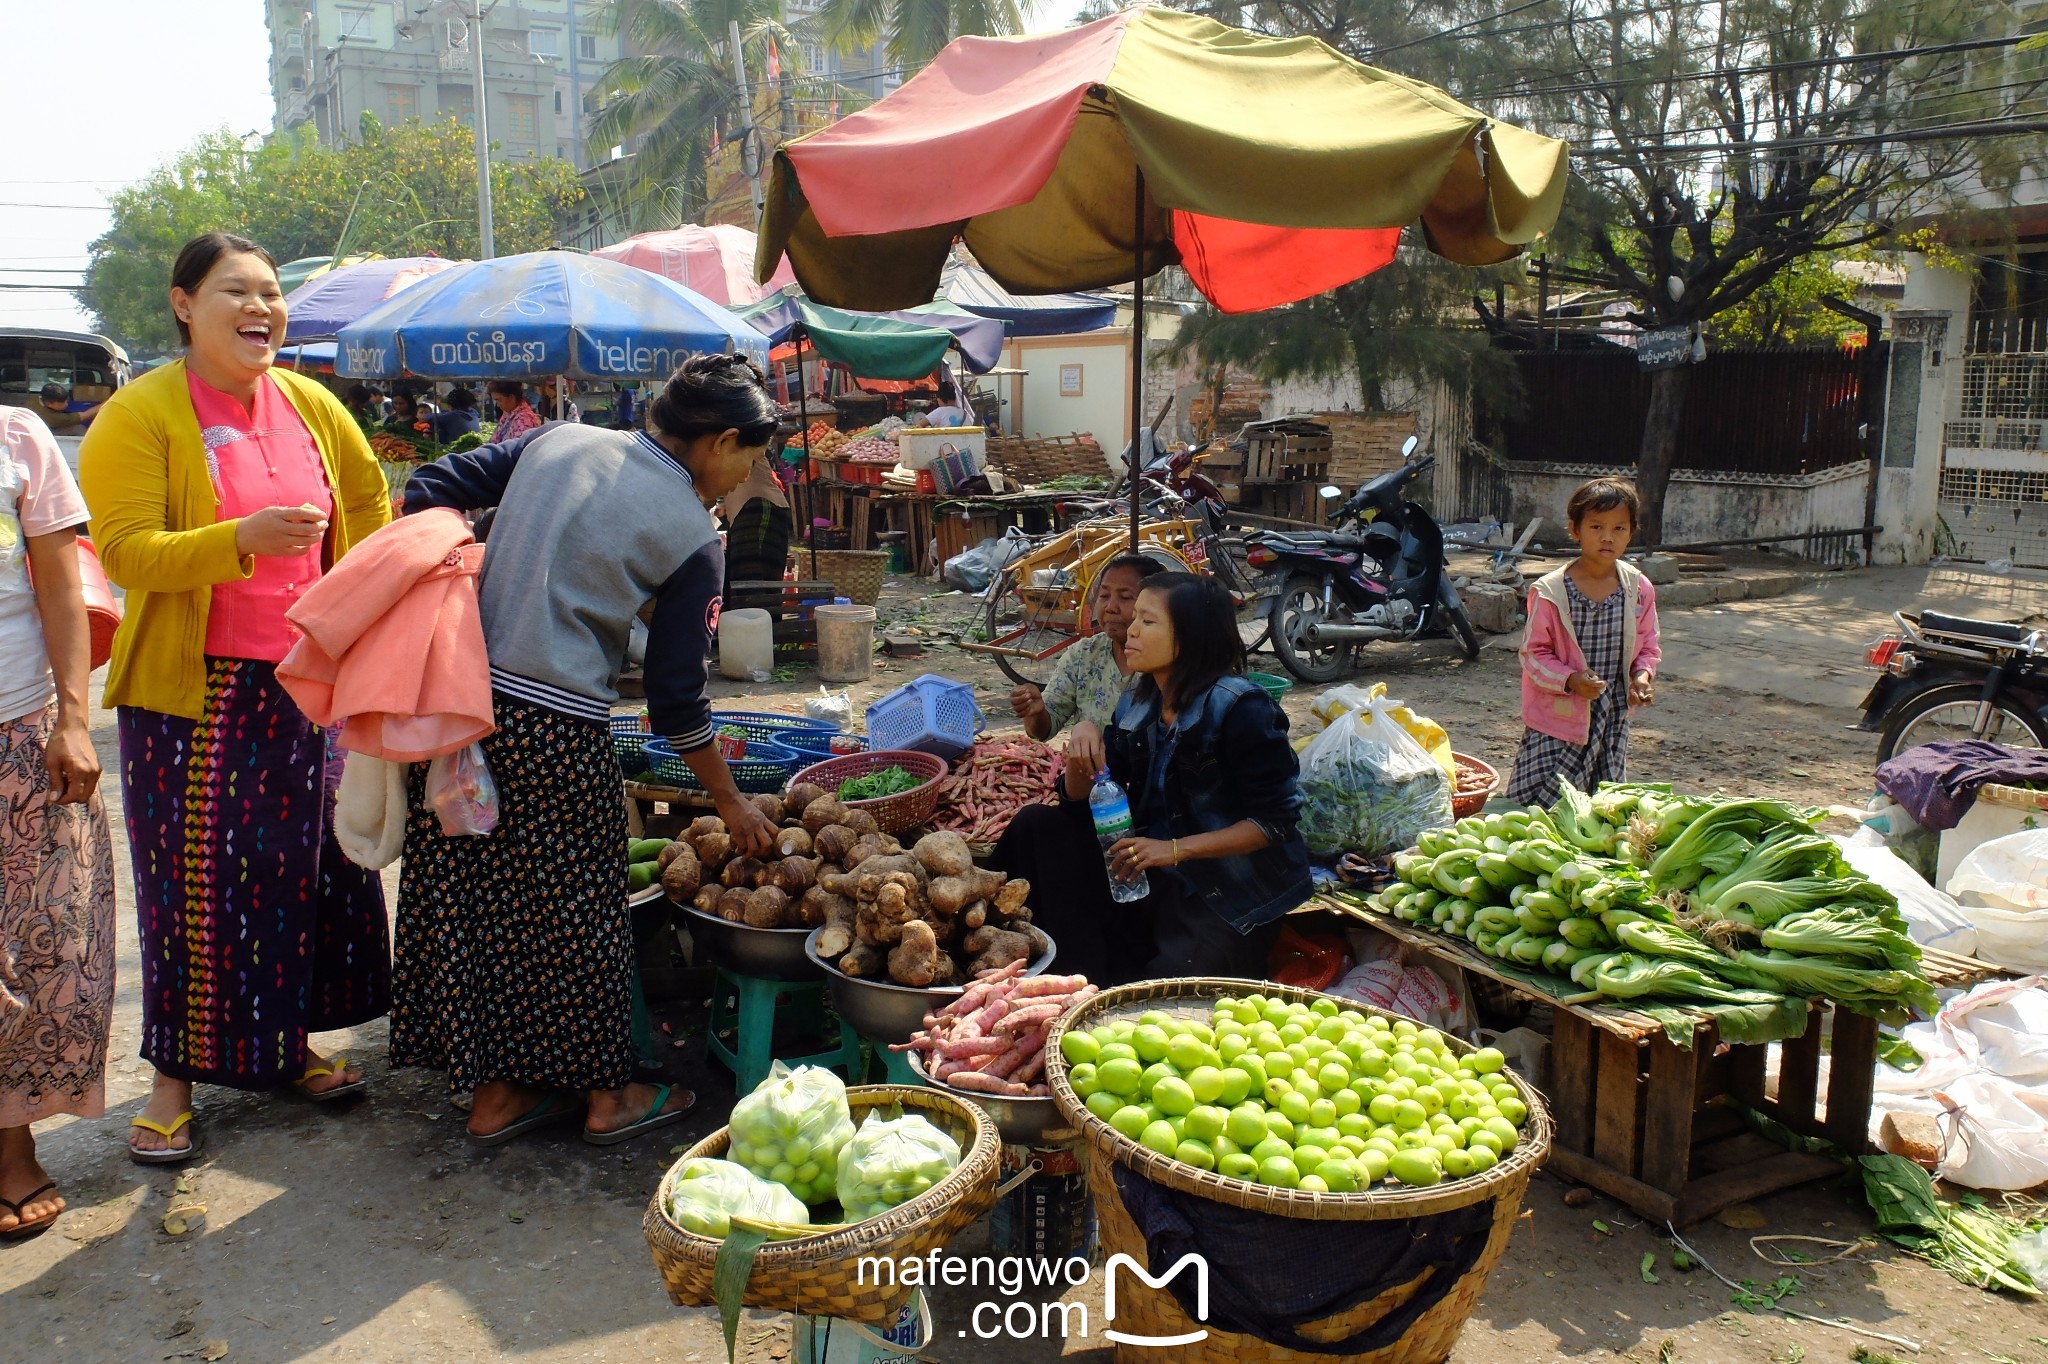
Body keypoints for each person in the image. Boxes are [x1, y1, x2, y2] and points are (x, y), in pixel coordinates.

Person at [393, 354, 779, 1146]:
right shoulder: (692, 535)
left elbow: (429, 487)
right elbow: (677, 701)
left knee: (475, 903)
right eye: (751, 457)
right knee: (577, 913)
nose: (746, 476)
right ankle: (611, 1096)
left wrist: (471, 571)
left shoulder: (556, 441)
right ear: (722, 441)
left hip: (452, 706)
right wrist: (733, 801)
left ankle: (495, 1095)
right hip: (553, 730)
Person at [77, 231, 394, 1165]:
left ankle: (284, 1047)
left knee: (302, 871)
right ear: (183, 304)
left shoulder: (311, 402)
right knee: (195, 885)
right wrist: (239, 536)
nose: (261, 309)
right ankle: (172, 1081)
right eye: (235, 293)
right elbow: (127, 551)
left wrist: (371, 597)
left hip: (307, 680)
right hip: (196, 696)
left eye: (269, 294)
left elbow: (369, 502)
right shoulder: (138, 415)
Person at [993, 572, 1310, 985]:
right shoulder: (1141, 700)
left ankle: (1095, 980)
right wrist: (1082, 741)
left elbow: (1275, 823)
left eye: (1148, 620)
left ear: (1189, 636)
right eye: (1135, 617)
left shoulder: (1242, 709)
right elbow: (1078, 803)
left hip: (1222, 894)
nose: (1131, 630)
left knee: (1163, 988)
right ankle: (1059, 975)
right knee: (1037, 825)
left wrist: (1173, 850)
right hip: (1149, 875)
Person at [0, 407, 118, 1238]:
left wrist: (73, 720)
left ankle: (10, 1146)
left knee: (47, 948)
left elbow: (58, 581)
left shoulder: (16, 438)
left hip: (24, 734)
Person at [1506, 477, 1661, 807]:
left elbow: (1648, 646)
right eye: (1596, 526)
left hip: (1612, 718)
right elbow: (1533, 654)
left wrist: (1641, 678)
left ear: (1632, 532)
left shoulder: (1638, 589)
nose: (1607, 536)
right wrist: (1570, 680)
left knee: (1601, 808)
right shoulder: (1551, 591)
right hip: (1558, 720)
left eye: (1619, 528)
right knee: (1534, 810)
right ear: (1575, 530)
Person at [1010, 552, 1146, 758]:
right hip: (1089, 782)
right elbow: (1043, 730)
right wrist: (1036, 712)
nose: (1110, 607)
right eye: (1104, 595)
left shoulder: (1166, 665)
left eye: (1125, 597)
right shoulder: (1084, 655)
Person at [721, 450, 792, 587]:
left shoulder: (727, 439)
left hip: (757, 507)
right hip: (747, 508)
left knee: (751, 579)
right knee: (742, 577)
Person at [31, 384, 98, 435]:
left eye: (66, 401)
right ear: (49, 404)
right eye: (62, 403)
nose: (66, 404)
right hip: (43, 434)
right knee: (79, 428)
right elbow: (85, 415)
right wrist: (107, 403)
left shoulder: (34, 400)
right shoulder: (53, 418)